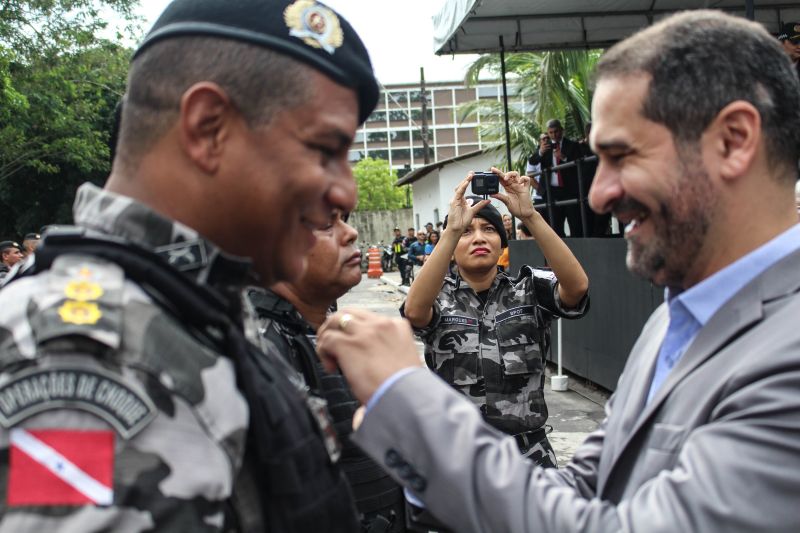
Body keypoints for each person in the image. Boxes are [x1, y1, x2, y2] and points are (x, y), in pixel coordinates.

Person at [316, 10, 800, 532]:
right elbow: (586, 489)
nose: (598, 192)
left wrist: (408, 402)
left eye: (623, 156)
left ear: (733, 140)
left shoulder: (786, 351)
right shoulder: (671, 323)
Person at [0, 0, 379, 530]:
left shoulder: (190, 304)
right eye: (323, 150)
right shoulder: (78, 353)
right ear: (207, 128)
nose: (346, 191)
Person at [401, 170, 588, 469]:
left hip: (527, 458)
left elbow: (576, 288)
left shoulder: (528, 291)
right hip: (455, 461)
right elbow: (414, 312)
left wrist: (530, 216)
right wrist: (451, 229)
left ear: (502, 243)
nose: (478, 237)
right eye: (467, 232)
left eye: (489, 229)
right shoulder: (438, 297)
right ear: (451, 247)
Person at [249, 210, 406, 532]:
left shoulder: (328, 330)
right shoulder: (260, 352)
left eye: (343, 219)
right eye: (326, 224)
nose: (350, 233)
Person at [528, 119, 586, 237]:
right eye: (551, 133)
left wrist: (563, 158)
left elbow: (580, 162)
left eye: (556, 131)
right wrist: (540, 152)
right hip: (551, 191)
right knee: (554, 226)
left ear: (561, 130)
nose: (554, 135)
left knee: (575, 223)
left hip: (569, 189)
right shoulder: (546, 147)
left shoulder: (572, 145)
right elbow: (532, 161)